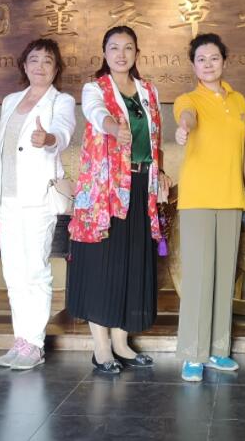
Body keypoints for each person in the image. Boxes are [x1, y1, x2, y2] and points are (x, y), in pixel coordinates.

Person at [66, 25, 170, 375]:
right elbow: (96, 114)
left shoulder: (149, 91)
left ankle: (122, 343)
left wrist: (161, 173)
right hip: (105, 190)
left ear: (137, 53)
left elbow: (155, 140)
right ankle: (101, 347)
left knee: (132, 262)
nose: (121, 54)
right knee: (103, 261)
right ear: (104, 52)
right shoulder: (95, 88)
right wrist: (113, 127)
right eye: (114, 47)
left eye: (128, 48)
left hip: (141, 186)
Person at [0, 38, 76, 370]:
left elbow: (63, 132)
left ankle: (34, 343)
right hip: (7, 198)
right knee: (14, 272)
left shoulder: (61, 101)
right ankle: (20, 339)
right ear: (24, 65)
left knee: (35, 270)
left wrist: (47, 138)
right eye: (34, 60)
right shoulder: (10, 101)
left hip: (38, 198)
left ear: (56, 68)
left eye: (47, 61)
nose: (40, 66)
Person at [173, 33, 245, 382]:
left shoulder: (238, 101)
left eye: (214, 58)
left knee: (224, 278)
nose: (208, 64)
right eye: (201, 59)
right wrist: (183, 128)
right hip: (198, 200)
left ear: (224, 60)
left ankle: (218, 350)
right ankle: (193, 354)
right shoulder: (188, 99)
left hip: (232, 198)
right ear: (193, 66)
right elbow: (187, 117)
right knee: (198, 277)